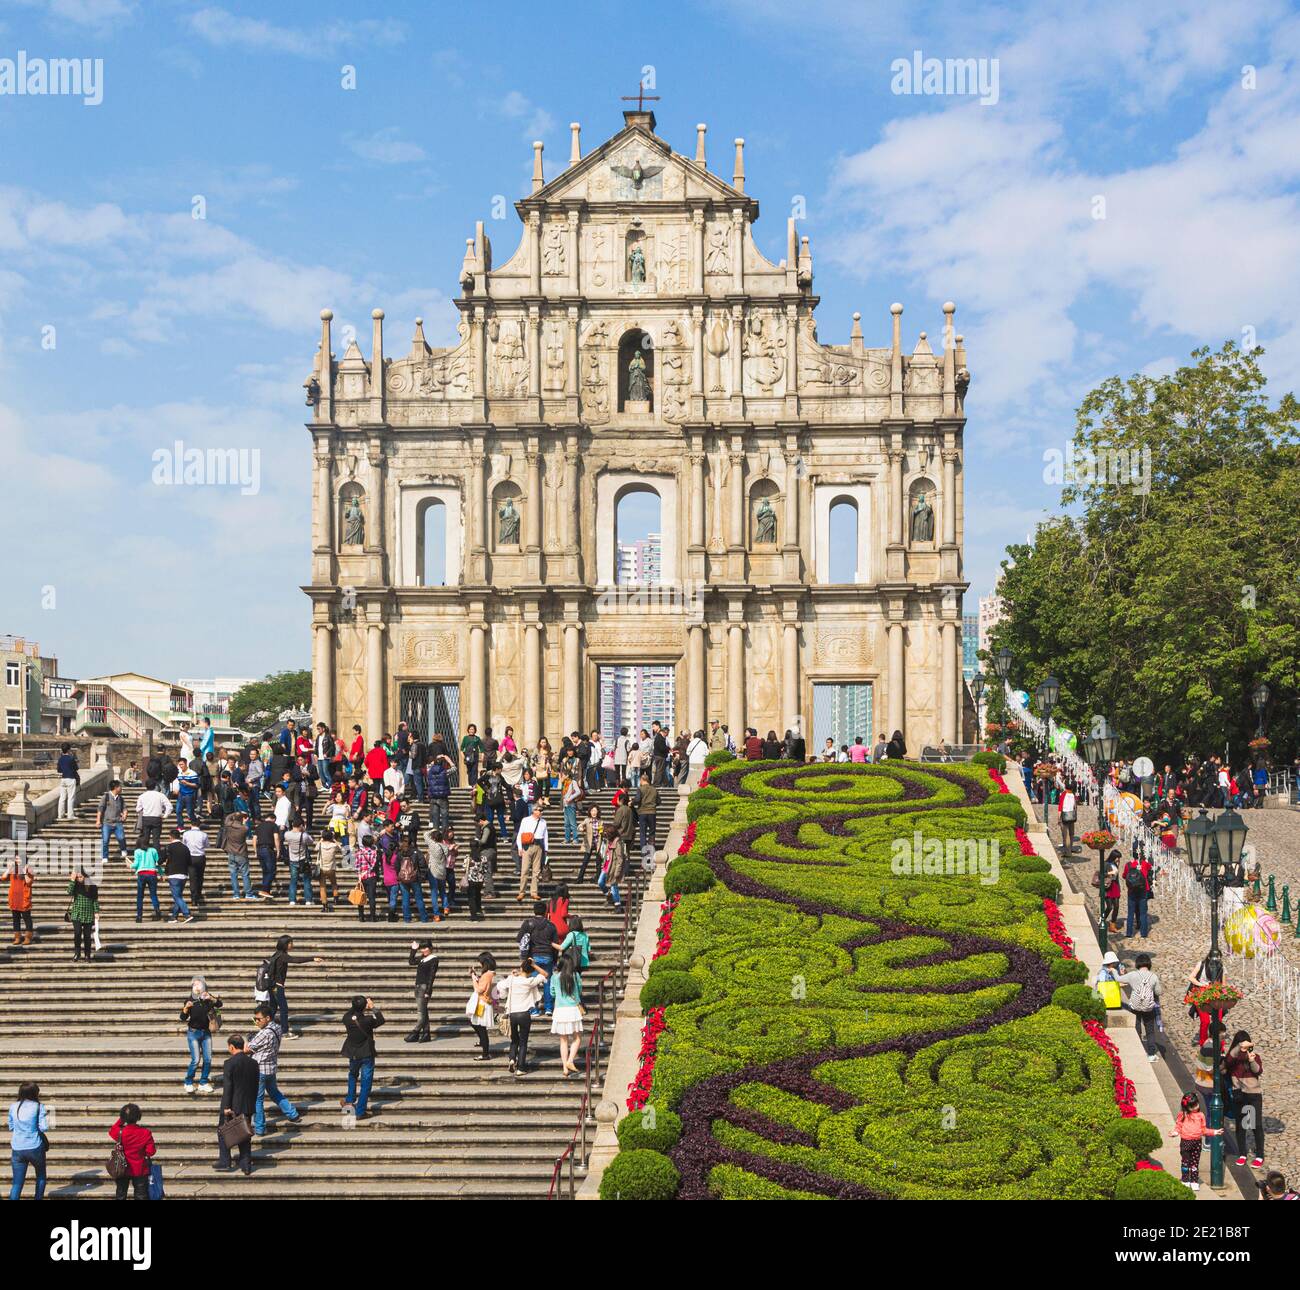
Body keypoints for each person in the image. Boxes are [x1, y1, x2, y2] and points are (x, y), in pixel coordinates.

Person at [247, 1002, 300, 1135]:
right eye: (255, 1019)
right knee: (275, 1093)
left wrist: (249, 1040)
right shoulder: (277, 1028)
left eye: (258, 1019)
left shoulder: (264, 1033)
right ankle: (293, 1114)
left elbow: (246, 1049)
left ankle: (259, 1128)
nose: (256, 1022)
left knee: (257, 1100)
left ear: (268, 1018)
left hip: (259, 1070)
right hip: (271, 1068)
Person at [217, 1035, 258, 1175]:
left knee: (223, 1131)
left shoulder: (229, 1063)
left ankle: (225, 1161)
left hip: (233, 1105)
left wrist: (226, 1107)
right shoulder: (254, 1063)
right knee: (245, 1134)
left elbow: (228, 1087)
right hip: (248, 1104)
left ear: (231, 1047)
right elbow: (255, 1085)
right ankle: (245, 1165)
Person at [268, 934, 323, 1038]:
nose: (292, 944)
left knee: (273, 1008)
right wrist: (312, 959)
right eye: (290, 943)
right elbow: (296, 960)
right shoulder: (283, 956)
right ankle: (284, 1032)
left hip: (272, 985)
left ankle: (263, 1024)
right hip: (277, 986)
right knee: (283, 1009)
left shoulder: (276, 954)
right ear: (285, 944)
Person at [1225, 1030, 1265, 1168]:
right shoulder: (1234, 1059)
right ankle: (1242, 1153)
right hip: (1239, 1094)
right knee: (1241, 1126)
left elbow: (1258, 1071)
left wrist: (1252, 1060)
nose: (1245, 1048)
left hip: (1253, 1095)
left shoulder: (1254, 1056)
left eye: (1246, 1044)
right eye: (1242, 1044)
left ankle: (1260, 1155)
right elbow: (1227, 1063)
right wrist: (1238, 1048)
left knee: (1256, 1125)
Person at [503, 957, 548, 1076]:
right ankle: (521, 1067)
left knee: (514, 1040)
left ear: (521, 968)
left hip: (512, 1014)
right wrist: (534, 965)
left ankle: (512, 1058)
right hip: (524, 1014)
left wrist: (512, 974)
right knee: (523, 1042)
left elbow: (503, 985)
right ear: (530, 971)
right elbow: (545, 974)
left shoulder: (512, 979)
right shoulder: (530, 981)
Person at [341, 996, 385, 1119]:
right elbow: (381, 1020)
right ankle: (360, 1111)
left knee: (352, 1075)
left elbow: (351, 1012)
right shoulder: (368, 1020)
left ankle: (350, 1101)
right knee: (366, 1083)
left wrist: (357, 1005)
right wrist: (372, 1007)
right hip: (366, 1053)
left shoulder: (347, 1018)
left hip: (353, 1054)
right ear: (365, 1006)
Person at [1169, 1090, 1218, 1191]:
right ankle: (1185, 1180)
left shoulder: (1201, 1115)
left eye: (1196, 1104)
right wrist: (1175, 1132)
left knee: (1195, 1163)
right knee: (1185, 1162)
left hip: (1197, 1142)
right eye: (1192, 1106)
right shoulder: (1182, 1115)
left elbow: (1203, 1130)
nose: (1195, 1107)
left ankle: (1194, 1181)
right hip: (1185, 1142)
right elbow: (1178, 1126)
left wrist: (1214, 1132)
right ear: (1187, 1107)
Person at [7, 1082, 49, 1200]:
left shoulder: (13, 1106)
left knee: (17, 1183)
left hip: (17, 1147)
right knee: (41, 1176)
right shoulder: (38, 1106)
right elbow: (44, 1127)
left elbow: (11, 1126)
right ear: (35, 1093)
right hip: (35, 1146)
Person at [181, 976, 222, 1093]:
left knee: (208, 1059)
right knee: (196, 1060)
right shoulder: (189, 1000)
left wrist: (212, 999)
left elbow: (220, 1004)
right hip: (193, 1033)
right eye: (195, 985)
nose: (197, 987)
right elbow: (183, 1018)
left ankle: (203, 1082)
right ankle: (188, 1082)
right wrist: (185, 1008)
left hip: (206, 1033)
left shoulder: (208, 999)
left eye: (199, 985)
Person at [1118, 951, 1162, 1062]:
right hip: (1148, 1007)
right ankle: (1151, 1054)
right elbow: (1159, 991)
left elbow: (1119, 979)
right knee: (1150, 1030)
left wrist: (1115, 971)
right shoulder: (1154, 977)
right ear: (1149, 964)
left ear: (1137, 964)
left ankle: (1138, 1050)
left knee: (1137, 1026)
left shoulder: (1133, 975)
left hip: (1135, 1006)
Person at [108, 1103, 156, 1200]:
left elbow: (112, 1129)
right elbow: (151, 1151)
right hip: (140, 1168)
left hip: (121, 1168)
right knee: (141, 1195)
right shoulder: (145, 1133)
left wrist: (123, 1118)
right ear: (138, 1117)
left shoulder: (119, 1132)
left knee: (121, 1194)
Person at [519, 900, 558, 1016]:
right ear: (546, 911)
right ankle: (549, 1008)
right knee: (547, 982)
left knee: (532, 983)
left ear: (534, 911)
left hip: (533, 958)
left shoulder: (528, 923)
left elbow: (520, 939)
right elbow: (555, 944)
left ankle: (534, 1009)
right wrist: (555, 960)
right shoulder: (551, 925)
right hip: (548, 956)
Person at [551, 955, 584, 1077]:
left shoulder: (555, 977)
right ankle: (570, 1061)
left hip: (559, 1010)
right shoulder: (575, 976)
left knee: (563, 1040)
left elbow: (552, 992)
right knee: (577, 1038)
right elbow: (579, 991)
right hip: (573, 1009)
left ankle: (565, 1067)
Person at [466, 952, 497, 1061]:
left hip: (482, 1004)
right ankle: (483, 1043)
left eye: (480, 962)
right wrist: (475, 976)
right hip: (484, 1003)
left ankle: (485, 1054)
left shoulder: (487, 974)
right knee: (475, 1023)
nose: (479, 964)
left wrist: (474, 979)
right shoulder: (490, 973)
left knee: (480, 1026)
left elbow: (479, 989)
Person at [406, 940, 439, 1043]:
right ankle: (426, 1034)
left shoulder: (434, 959)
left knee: (421, 1012)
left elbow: (431, 976)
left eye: (425, 948)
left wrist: (428, 991)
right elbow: (411, 962)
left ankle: (415, 1031)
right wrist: (413, 950)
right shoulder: (422, 958)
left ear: (430, 948)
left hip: (424, 987)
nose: (423, 950)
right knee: (423, 1011)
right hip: (418, 986)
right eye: (422, 948)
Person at [516, 801, 548, 903]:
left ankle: (534, 891)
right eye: (538, 810)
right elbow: (520, 834)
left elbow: (545, 836)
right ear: (533, 811)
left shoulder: (543, 822)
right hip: (527, 846)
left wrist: (546, 849)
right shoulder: (526, 820)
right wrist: (519, 847)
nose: (540, 812)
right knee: (525, 870)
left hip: (539, 846)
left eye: (541, 810)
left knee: (536, 871)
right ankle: (522, 891)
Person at [466, 814, 494, 921]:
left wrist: (477, 841)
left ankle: (474, 916)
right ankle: (479, 909)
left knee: (472, 897)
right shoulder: (482, 858)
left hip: (472, 879)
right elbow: (484, 869)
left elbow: (483, 841)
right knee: (477, 895)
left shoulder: (487, 828)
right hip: (479, 880)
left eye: (477, 822)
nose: (477, 825)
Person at [66, 871, 99, 961]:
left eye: (81, 877)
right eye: (77, 877)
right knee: (77, 933)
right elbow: (69, 892)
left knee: (87, 936)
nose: (79, 879)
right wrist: (72, 880)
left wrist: (96, 912)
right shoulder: (75, 884)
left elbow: (95, 899)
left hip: (88, 914)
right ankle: (77, 953)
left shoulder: (91, 886)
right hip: (77, 913)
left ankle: (87, 954)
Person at [1122, 848, 1153, 938]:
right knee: (1143, 913)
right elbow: (1151, 869)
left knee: (1130, 913)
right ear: (1140, 855)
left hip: (1131, 891)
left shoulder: (1128, 865)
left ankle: (1129, 933)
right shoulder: (1144, 864)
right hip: (1143, 891)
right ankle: (1143, 933)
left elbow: (1124, 876)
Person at [96, 779, 128, 863]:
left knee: (121, 837)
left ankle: (123, 849)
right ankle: (105, 856)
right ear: (116, 788)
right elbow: (100, 809)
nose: (121, 788)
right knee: (105, 840)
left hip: (118, 822)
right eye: (120, 786)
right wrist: (98, 820)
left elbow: (124, 808)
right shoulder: (106, 797)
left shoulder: (120, 798)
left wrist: (124, 815)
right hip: (107, 823)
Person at [134, 779, 171, 851]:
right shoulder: (160, 795)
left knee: (145, 839)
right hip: (157, 819)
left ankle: (145, 855)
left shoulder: (142, 796)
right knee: (156, 840)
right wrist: (165, 815)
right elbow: (169, 806)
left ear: (146, 786)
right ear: (155, 786)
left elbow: (138, 809)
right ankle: (157, 858)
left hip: (146, 818)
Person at [182, 817, 209, 907]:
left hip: (190, 857)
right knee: (200, 876)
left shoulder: (186, 834)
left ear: (191, 824)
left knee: (192, 878)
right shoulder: (204, 834)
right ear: (199, 825)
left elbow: (184, 844)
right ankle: (199, 893)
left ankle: (194, 897)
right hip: (200, 857)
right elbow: (207, 846)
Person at [7, 860, 34, 946]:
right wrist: (8, 869)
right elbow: (3, 878)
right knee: (16, 919)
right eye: (16, 859)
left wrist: (25, 872)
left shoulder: (29, 870)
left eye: (19, 859)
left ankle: (28, 938)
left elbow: (29, 882)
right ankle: (17, 938)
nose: (17, 861)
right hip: (14, 899)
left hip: (24, 900)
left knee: (27, 919)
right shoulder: (13, 870)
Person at [576, 804, 602, 883]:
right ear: (590, 812)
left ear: (598, 812)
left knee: (598, 863)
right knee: (585, 862)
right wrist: (581, 828)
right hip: (589, 844)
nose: (594, 812)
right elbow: (580, 826)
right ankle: (579, 879)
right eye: (592, 811)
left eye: (595, 811)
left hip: (598, 844)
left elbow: (603, 831)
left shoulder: (600, 821)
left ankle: (598, 879)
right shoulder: (587, 820)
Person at [56, 742, 78, 820]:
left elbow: (59, 770)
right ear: (69, 749)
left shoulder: (60, 759)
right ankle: (70, 815)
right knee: (70, 797)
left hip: (63, 778)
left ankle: (60, 815)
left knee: (62, 798)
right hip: (71, 778)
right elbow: (76, 768)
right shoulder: (71, 758)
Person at [1101, 850, 1121, 934]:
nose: (1118, 859)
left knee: (1116, 906)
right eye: (1118, 858)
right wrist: (1110, 873)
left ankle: (1112, 924)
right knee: (1109, 907)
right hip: (1108, 886)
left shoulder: (1115, 864)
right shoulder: (1106, 864)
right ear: (1113, 857)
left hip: (1115, 886)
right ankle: (1102, 920)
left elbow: (1117, 877)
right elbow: (1102, 874)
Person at [460, 723, 483, 788]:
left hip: (475, 756)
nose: (471, 730)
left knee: (474, 770)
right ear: (468, 730)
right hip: (468, 756)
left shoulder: (477, 738)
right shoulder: (465, 738)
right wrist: (463, 756)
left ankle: (474, 784)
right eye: (470, 729)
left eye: (473, 729)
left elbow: (481, 747)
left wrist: (482, 756)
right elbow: (461, 748)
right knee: (469, 770)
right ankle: (470, 784)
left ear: (475, 730)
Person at [1059, 784, 1077, 855]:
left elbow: (1060, 807)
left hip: (1065, 816)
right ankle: (1071, 847)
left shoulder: (1063, 794)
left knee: (1065, 834)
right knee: (1071, 833)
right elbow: (1075, 806)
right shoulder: (1073, 794)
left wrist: (1058, 818)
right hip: (1072, 816)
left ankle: (1068, 852)